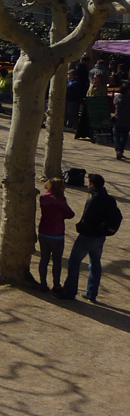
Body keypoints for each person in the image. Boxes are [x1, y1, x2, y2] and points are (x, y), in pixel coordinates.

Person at [58, 174, 122, 302]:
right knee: (95, 264)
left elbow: (86, 219)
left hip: (87, 237)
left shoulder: (93, 200)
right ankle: (92, 293)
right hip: (101, 237)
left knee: (74, 262)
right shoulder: (110, 199)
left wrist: (79, 227)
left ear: (91, 184)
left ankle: (70, 292)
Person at [37, 178, 74, 293]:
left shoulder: (43, 198)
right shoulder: (60, 200)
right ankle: (56, 285)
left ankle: (43, 284)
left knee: (44, 259)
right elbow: (70, 214)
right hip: (56, 233)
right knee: (57, 261)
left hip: (43, 231)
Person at [114, 83, 130, 160]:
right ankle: (121, 150)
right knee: (124, 136)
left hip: (118, 118)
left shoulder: (116, 99)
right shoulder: (129, 99)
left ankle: (118, 150)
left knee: (117, 135)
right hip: (127, 120)